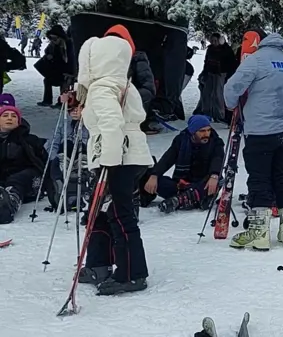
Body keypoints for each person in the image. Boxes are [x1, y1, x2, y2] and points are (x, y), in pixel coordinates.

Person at [76, 27, 153, 295]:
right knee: (104, 212)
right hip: (128, 155)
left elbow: (112, 124)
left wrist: (108, 161)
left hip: (117, 158)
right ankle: (99, 263)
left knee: (120, 216)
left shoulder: (102, 87)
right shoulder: (123, 84)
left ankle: (131, 274)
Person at [224, 32, 283, 250]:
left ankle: (259, 232)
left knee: (259, 178)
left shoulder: (257, 60)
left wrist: (230, 104)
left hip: (261, 130)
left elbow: (233, 87)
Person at [139, 115, 223, 213]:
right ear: (193, 131)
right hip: (181, 184)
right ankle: (188, 198)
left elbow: (218, 159)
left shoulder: (216, 142)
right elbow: (167, 159)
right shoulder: (181, 140)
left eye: (208, 130)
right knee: (150, 177)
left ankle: (179, 200)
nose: (206, 134)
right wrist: (154, 175)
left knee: (218, 180)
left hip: (202, 184)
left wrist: (214, 175)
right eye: (202, 131)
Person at [0, 105, 49, 223]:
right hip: (3, 177)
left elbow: (43, 162)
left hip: (28, 177)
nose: (9, 118)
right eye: (5, 116)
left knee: (18, 179)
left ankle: (9, 204)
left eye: (13, 116)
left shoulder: (29, 139)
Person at [47, 95, 90, 211]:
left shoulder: (90, 125)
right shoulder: (62, 124)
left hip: (83, 154)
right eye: (71, 110)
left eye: (78, 109)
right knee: (66, 143)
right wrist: (53, 157)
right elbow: (52, 143)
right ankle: (62, 169)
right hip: (65, 155)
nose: (75, 112)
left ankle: (83, 165)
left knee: (82, 145)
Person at [35, 25, 75, 107]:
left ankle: (62, 102)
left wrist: (71, 73)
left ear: (60, 37)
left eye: (55, 38)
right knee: (47, 81)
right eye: (51, 38)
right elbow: (47, 52)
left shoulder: (68, 44)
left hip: (67, 70)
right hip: (57, 70)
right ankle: (47, 100)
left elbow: (71, 60)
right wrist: (49, 55)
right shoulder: (53, 45)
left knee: (64, 83)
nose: (53, 40)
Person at [196, 33, 229, 122]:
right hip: (210, 73)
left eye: (216, 40)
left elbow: (229, 61)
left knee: (218, 94)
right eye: (212, 41)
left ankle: (220, 115)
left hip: (220, 74)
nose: (214, 42)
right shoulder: (210, 49)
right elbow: (206, 61)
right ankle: (207, 112)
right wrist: (204, 72)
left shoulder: (225, 49)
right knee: (207, 93)